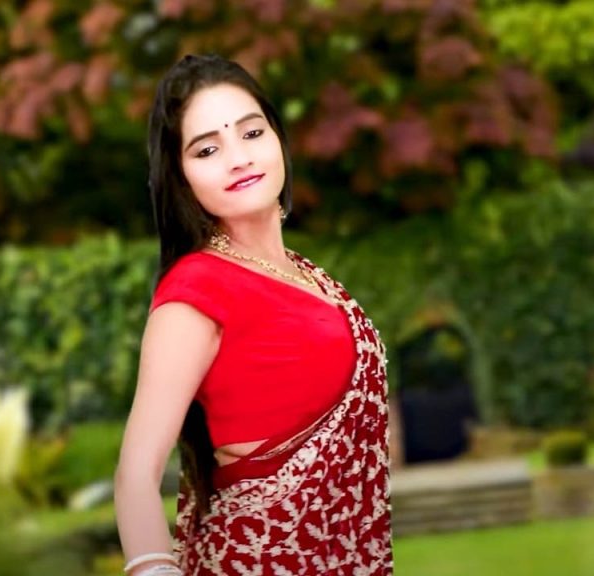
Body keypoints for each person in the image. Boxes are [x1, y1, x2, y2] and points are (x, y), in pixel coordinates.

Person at [114, 53, 393, 576]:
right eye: (207, 149)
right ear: (181, 177)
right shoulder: (196, 290)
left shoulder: (312, 277)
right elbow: (136, 474)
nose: (238, 158)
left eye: (251, 133)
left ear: (278, 139)